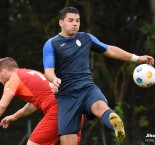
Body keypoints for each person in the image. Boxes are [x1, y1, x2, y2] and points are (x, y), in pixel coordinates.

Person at [43, 6, 154, 145]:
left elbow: (110, 50)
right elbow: (48, 71)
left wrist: (136, 58)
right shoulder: (51, 44)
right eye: (70, 20)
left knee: (101, 108)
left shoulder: (86, 38)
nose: (75, 24)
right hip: (66, 95)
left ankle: (115, 121)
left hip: (87, 88)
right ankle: (112, 118)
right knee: (69, 139)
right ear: (61, 22)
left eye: (77, 20)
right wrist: (54, 80)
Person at [0, 57, 83, 145]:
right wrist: (14, 116)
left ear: (3, 71)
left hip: (59, 110)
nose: (0, 80)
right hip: (75, 108)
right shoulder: (29, 73)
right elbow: (33, 105)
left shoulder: (14, 79)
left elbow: (2, 105)